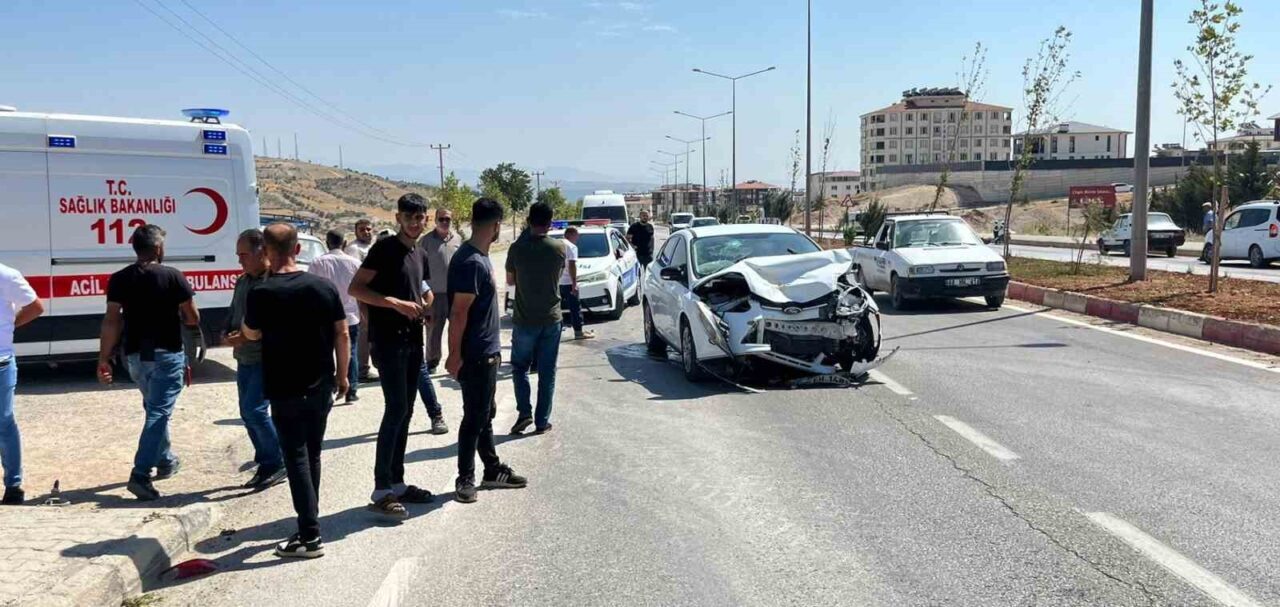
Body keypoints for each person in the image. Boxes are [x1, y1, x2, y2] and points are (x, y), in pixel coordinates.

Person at [242, 223, 349, 559]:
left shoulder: (261, 292)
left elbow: (252, 333)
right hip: (321, 385)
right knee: (312, 453)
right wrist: (344, 376)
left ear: (266, 252)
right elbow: (342, 334)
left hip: (285, 387)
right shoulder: (322, 287)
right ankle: (309, 519)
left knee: (297, 457)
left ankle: (309, 535)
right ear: (298, 249)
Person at [350, 194, 439, 518]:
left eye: (420, 218)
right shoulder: (384, 249)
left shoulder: (421, 251)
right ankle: (381, 488)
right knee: (396, 408)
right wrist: (394, 303)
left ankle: (397, 482)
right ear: (398, 217)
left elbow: (422, 285)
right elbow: (356, 288)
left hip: (414, 338)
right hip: (388, 341)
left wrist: (425, 299)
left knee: (407, 409)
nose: (416, 223)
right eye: (410, 217)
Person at [97, 225, 202, 501]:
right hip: (167, 354)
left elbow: (111, 320)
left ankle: (166, 459)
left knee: (153, 407)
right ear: (158, 249)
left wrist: (103, 358)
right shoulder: (173, 276)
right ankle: (141, 475)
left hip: (134, 357)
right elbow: (192, 318)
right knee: (158, 412)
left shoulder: (119, 279)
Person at [447, 197, 528, 503]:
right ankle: (465, 478)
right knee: (475, 417)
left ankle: (492, 469)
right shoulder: (470, 261)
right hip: (476, 353)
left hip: (486, 351)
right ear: (495, 226)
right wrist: (454, 355)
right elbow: (458, 313)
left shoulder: (477, 257)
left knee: (485, 414)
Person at [224, 229, 286, 489]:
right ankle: (265, 462)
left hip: (265, 358)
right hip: (244, 358)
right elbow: (234, 311)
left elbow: (275, 326)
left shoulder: (274, 283)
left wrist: (246, 337)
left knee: (255, 410)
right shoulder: (243, 281)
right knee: (246, 412)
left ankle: (277, 461)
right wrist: (227, 330)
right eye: (238, 255)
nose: (240, 260)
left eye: (244, 255)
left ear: (263, 252)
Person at [506, 203, 567, 436]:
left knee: (520, 367)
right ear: (550, 222)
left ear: (529, 220)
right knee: (547, 371)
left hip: (524, 319)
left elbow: (510, 281)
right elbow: (558, 275)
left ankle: (524, 413)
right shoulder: (558, 248)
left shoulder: (516, 249)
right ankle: (542, 421)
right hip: (551, 318)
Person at [0, 263, 44, 505]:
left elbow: (36, 306)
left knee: (4, 423)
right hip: (2, 359)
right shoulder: (7, 274)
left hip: (1, 361)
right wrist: (8, 327)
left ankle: (14, 484)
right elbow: (35, 308)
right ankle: (13, 486)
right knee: (4, 423)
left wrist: (8, 326)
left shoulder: (6, 274)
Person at [309, 230, 363, 405]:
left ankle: (329, 386)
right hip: (351, 314)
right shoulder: (355, 262)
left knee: (326, 352)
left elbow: (311, 288)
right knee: (351, 351)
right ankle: (351, 389)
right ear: (345, 243)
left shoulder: (318, 263)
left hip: (325, 316)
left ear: (327, 242)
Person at [420, 208, 459, 372]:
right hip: (434, 294)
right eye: (441, 219)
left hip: (455, 294)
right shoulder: (426, 241)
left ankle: (457, 359)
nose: (444, 222)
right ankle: (432, 362)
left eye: (447, 219)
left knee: (458, 329)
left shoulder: (457, 238)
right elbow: (418, 268)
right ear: (435, 220)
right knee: (433, 330)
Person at [345, 219, 377, 382]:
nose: (366, 232)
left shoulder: (375, 246)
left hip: (377, 296)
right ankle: (362, 370)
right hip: (363, 296)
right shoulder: (353, 249)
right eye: (362, 230)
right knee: (364, 333)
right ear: (356, 232)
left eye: (368, 229)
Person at [559, 226, 593, 341]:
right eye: (576, 235)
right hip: (568, 282)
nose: (577, 238)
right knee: (575, 307)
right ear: (570, 235)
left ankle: (555, 333)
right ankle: (578, 332)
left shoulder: (557, 244)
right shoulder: (571, 247)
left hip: (556, 282)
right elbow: (572, 265)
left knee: (556, 308)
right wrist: (574, 283)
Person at [626, 210, 656, 279]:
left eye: (646, 216)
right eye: (643, 215)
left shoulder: (650, 227)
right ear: (640, 216)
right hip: (637, 254)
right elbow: (627, 238)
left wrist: (652, 249)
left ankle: (647, 288)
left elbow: (652, 238)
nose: (645, 217)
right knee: (636, 274)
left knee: (649, 275)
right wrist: (632, 246)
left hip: (648, 254)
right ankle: (638, 286)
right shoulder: (634, 226)